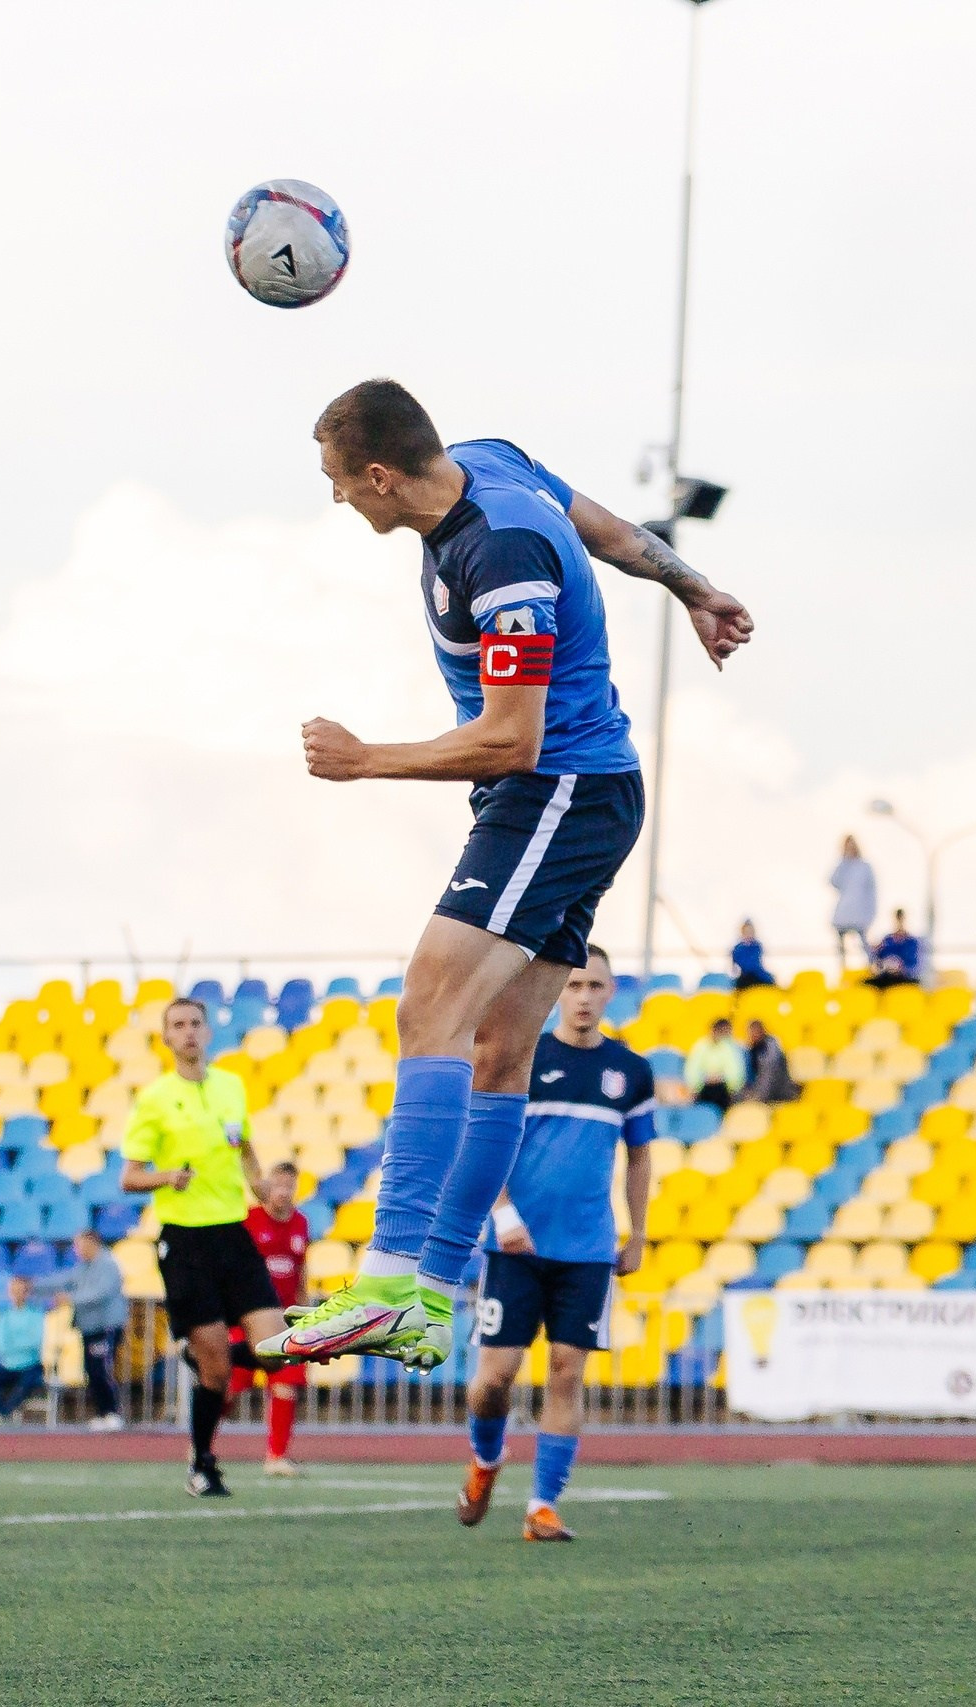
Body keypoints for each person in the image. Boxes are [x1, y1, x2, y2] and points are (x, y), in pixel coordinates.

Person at [266, 379, 753, 1372]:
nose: (335, 501)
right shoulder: (490, 458)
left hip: (556, 792)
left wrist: (366, 760)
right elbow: (612, 530)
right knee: (495, 1052)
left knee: (428, 1008)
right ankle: (432, 1299)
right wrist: (695, 587)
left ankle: (385, 1279)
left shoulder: (500, 558)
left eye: (336, 482)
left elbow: (511, 737)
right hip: (587, 793)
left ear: (377, 474)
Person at [458, 946, 653, 1543]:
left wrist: (638, 1229)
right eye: (574, 985)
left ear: (611, 991)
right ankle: (487, 1459)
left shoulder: (631, 1072)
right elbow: (482, 1138)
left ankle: (543, 1505)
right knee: (494, 1379)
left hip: (588, 1248)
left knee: (566, 1373)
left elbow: (640, 1153)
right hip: (515, 1247)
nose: (584, 997)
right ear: (557, 993)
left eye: (595, 985)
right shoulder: (524, 1054)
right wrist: (503, 1214)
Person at [120, 997, 285, 1498]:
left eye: (196, 1023)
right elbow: (129, 1177)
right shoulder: (154, 1099)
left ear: (208, 1032)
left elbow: (247, 1149)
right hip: (184, 1240)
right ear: (166, 1038)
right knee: (217, 1370)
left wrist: (259, 1186)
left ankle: (202, 1355)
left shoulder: (231, 1087)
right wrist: (167, 1176)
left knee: (274, 1351)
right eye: (178, 1026)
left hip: (232, 1233)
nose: (188, 1032)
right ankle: (203, 1465)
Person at [229, 1161, 310, 1477]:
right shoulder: (250, 1221)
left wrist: (304, 1313)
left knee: (286, 1386)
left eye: (289, 1186)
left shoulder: (301, 1223)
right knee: (228, 1387)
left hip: (285, 1321)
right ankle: (202, 1443)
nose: (283, 1192)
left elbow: (301, 1271)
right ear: (267, 1186)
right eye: (277, 1185)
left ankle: (276, 1456)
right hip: (247, 1319)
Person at [62, 1227, 128, 1432]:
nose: (77, 1249)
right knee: (91, 1370)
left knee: (102, 1369)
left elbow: (101, 1292)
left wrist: (70, 1299)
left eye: (79, 1245)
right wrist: (33, 1287)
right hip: (89, 1327)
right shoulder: (84, 1267)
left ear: (92, 1243)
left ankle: (113, 1412)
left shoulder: (107, 1265)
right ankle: (102, 1412)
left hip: (105, 1326)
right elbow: (65, 1281)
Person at [0, 1275, 47, 1424]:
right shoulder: (4, 1316)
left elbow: (36, 1342)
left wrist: (14, 1345)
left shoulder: (37, 1315)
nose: (17, 1294)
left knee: (25, 1385)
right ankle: (5, 1413)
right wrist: (17, 1346)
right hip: (8, 1365)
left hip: (30, 1365)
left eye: (21, 1290)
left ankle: (3, 1415)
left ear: (27, 1293)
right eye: (14, 1290)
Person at [830, 837, 878, 971]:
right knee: (841, 948)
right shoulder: (844, 866)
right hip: (844, 913)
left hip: (860, 913)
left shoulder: (864, 867)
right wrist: (843, 861)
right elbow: (833, 881)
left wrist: (871, 914)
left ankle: (872, 969)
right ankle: (843, 970)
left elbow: (871, 891)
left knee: (864, 945)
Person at [682, 1018, 746, 1111]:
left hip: (724, 1089)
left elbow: (735, 1072)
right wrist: (703, 1079)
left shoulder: (729, 1047)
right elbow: (692, 1069)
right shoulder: (700, 1046)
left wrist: (722, 1078)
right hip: (703, 1088)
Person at [742, 1019, 798, 1106]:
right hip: (762, 1091)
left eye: (755, 1032)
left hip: (779, 1091)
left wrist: (757, 1096)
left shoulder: (772, 1048)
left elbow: (769, 1074)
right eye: (751, 1032)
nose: (753, 1035)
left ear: (762, 1031)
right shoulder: (752, 1050)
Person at [869, 908, 923, 989]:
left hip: (904, 979)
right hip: (886, 978)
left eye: (901, 918)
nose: (899, 921)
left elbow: (914, 966)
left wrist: (899, 968)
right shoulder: (887, 940)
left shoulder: (912, 942)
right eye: (897, 918)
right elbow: (877, 964)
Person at [730, 920, 774, 990]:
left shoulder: (757, 946)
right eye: (746, 932)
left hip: (757, 975)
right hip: (745, 976)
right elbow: (735, 966)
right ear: (742, 933)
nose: (748, 934)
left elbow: (755, 963)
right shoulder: (738, 948)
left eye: (750, 932)